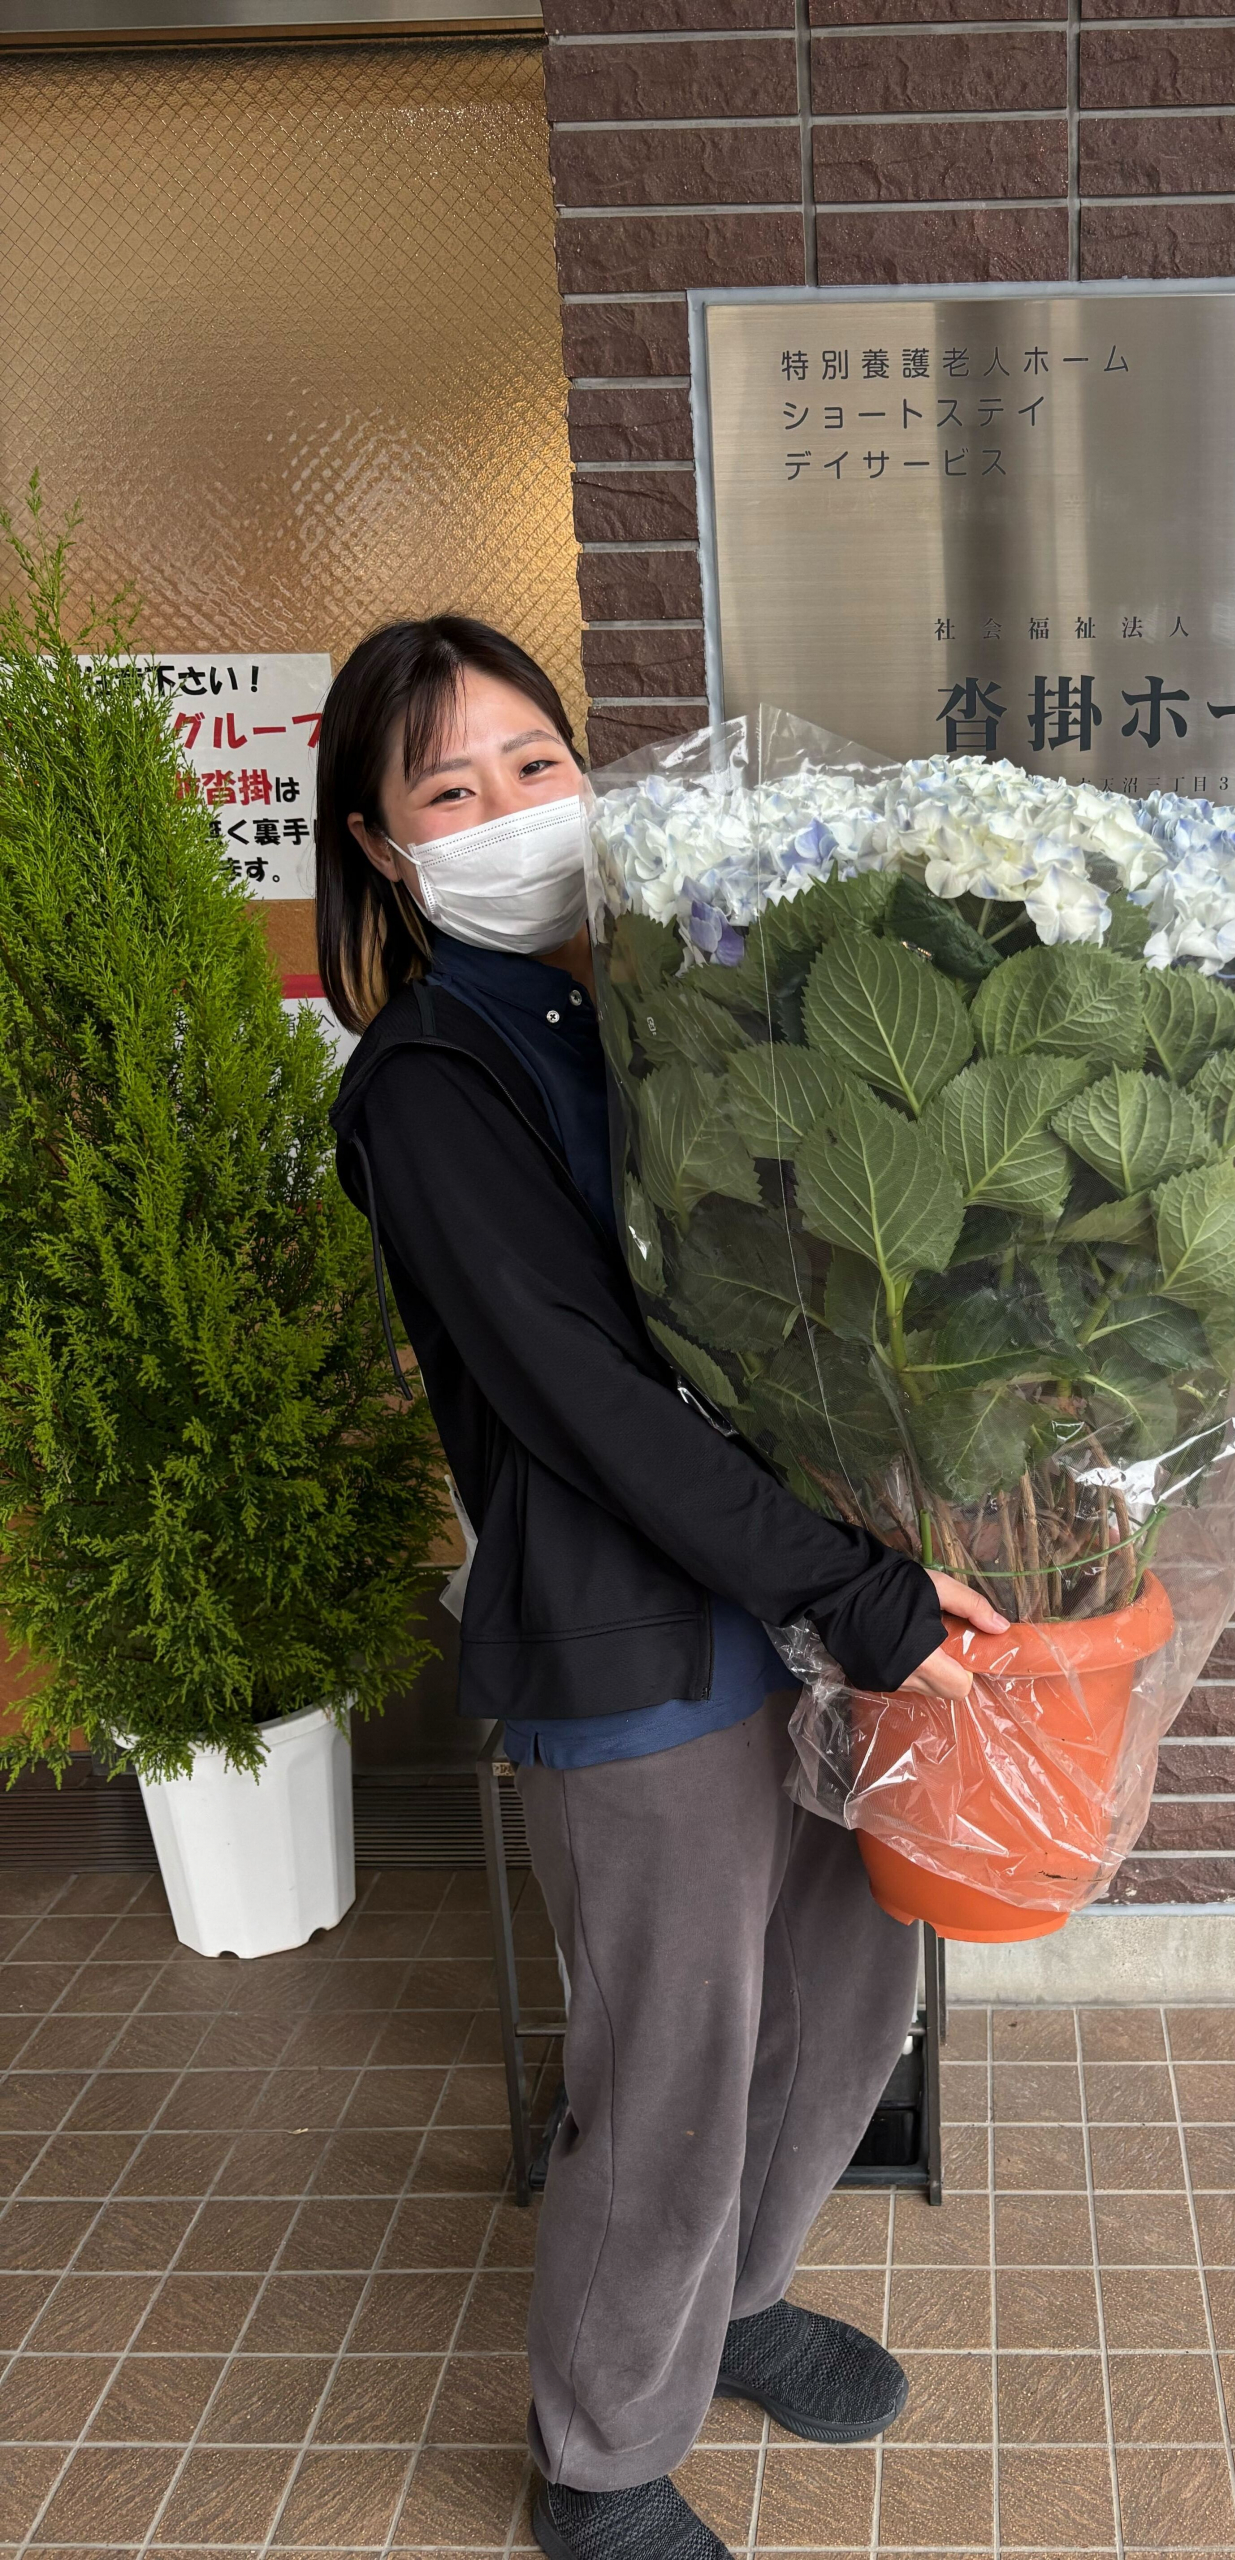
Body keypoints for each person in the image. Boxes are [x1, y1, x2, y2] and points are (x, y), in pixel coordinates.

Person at [316, 618, 1004, 2560]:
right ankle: (603, 2461)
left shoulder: (664, 1008)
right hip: (641, 1640)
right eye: (450, 788)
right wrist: (862, 1596)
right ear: (382, 845)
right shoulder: (432, 1083)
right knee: (676, 2059)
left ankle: (740, 2301)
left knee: (849, 1988)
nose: (510, 810)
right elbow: (588, 1399)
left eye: (535, 763)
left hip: (807, 1590)